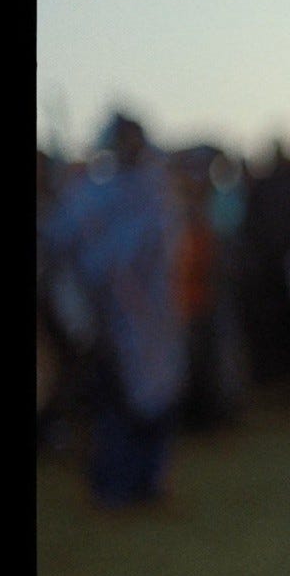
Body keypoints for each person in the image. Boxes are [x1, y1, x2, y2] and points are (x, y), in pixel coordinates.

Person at [39, 113, 189, 507]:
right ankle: (115, 487)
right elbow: (65, 242)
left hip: (154, 320)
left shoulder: (154, 190)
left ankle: (149, 482)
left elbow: (163, 249)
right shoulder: (93, 194)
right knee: (116, 405)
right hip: (109, 321)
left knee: (156, 400)